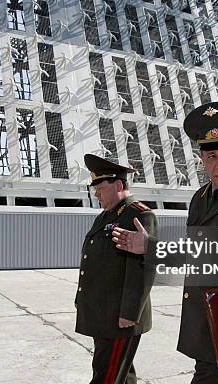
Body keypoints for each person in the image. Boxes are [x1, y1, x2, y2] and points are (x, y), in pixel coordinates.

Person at [113, 102, 218, 383]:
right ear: (202, 160)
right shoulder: (202, 197)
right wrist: (151, 247)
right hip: (207, 329)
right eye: (212, 156)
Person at [75, 153, 158, 384]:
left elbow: (143, 269)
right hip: (103, 314)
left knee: (106, 376)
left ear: (119, 185)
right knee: (121, 373)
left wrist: (129, 313)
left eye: (100, 188)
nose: (96, 193)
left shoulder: (139, 215)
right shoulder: (106, 215)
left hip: (119, 318)